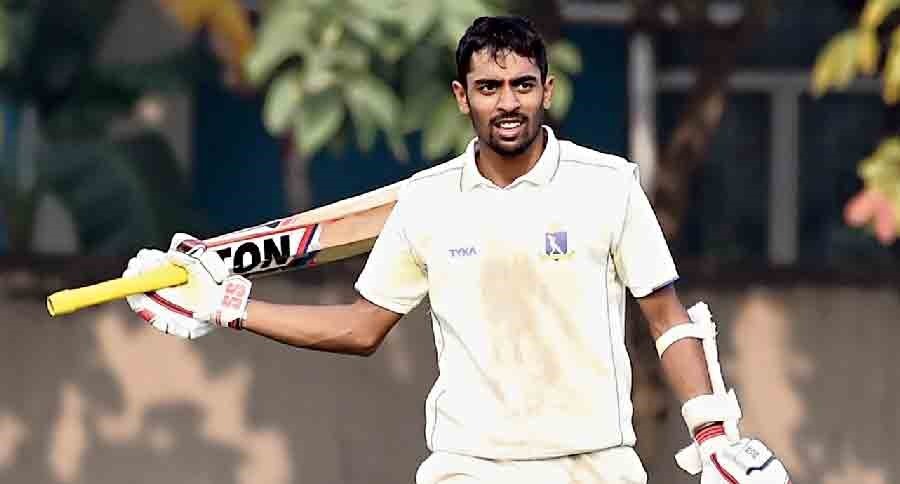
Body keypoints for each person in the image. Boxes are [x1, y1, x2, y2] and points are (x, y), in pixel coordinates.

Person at [123, 16, 792, 484]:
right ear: (462, 97)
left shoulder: (608, 186)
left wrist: (713, 435)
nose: (508, 103)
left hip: (593, 465)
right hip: (469, 468)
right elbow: (361, 327)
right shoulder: (427, 202)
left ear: (547, 90)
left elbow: (667, 320)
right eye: (489, 88)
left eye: (522, 85)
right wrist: (231, 305)